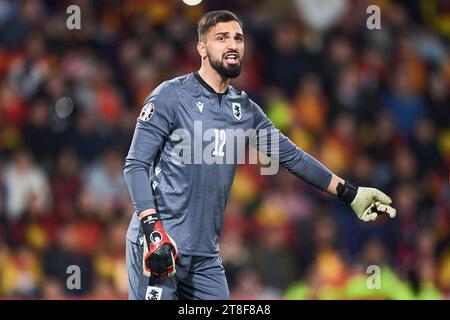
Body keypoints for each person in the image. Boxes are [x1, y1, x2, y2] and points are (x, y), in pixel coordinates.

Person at [123, 10, 396, 300]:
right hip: (159, 245)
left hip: (204, 258)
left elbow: (292, 157)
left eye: (238, 38)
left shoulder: (245, 110)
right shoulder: (170, 95)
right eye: (221, 38)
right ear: (201, 48)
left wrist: (350, 194)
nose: (233, 44)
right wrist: (153, 229)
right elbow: (135, 165)